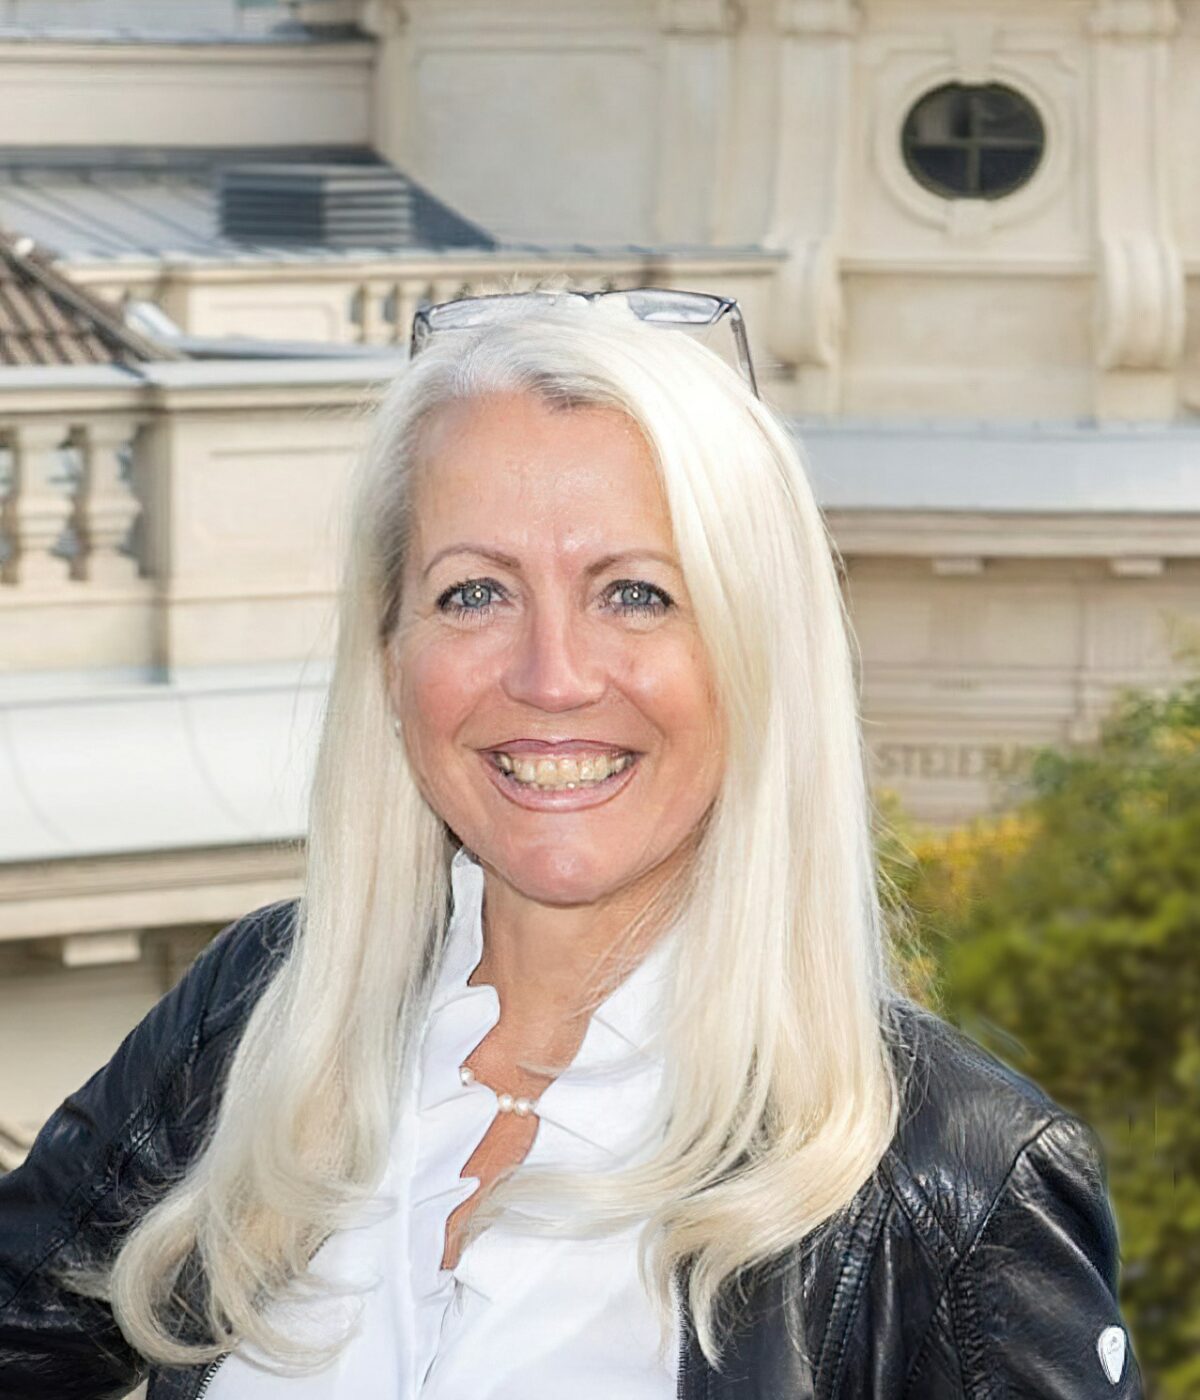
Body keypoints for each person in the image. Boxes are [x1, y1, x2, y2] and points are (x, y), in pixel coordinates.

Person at [0, 290, 1142, 1399]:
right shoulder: (256, 1012)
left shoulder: (955, 1183)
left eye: (637, 594)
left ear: (758, 647)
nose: (551, 676)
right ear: (389, 648)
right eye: (474, 592)